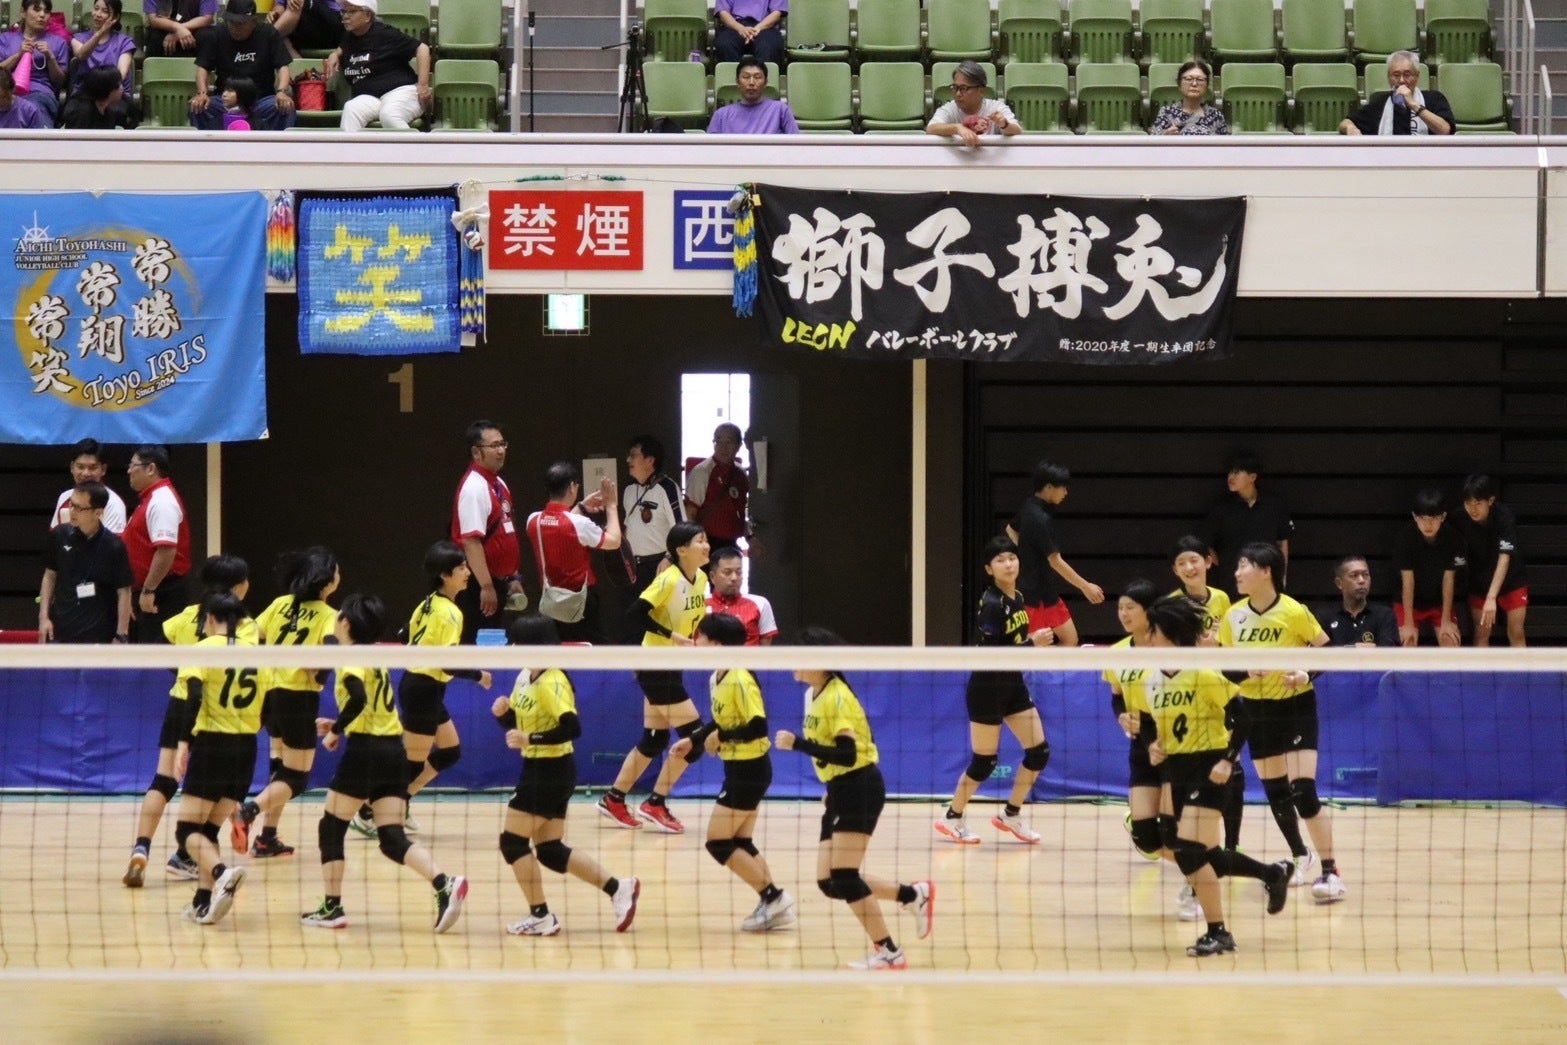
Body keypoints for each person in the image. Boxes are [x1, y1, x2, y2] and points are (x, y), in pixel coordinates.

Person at [301, 593, 468, 933]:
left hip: (365, 752)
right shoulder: (376, 658)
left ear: (346, 623)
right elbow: (369, 705)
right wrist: (338, 724)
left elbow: (358, 698)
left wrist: (336, 730)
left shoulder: (351, 657)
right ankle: (444, 883)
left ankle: (332, 907)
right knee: (391, 837)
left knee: (330, 826)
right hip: (394, 752)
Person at [1141, 594, 1294, 957]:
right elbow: (1156, 726)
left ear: (1170, 635)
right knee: (1204, 854)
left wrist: (1227, 760)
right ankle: (1272, 873)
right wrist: (1154, 746)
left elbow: (1244, 717)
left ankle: (1219, 932)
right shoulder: (1151, 679)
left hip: (1209, 767)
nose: (1147, 638)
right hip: (1176, 769)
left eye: (1152, 631)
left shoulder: (1204, 674)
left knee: (1188, 852)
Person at [775, 626, 934, 971]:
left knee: (845, 876)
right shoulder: (813, 694)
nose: (792, 662)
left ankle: (889, 952)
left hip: (859, 787)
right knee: (829, 882)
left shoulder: (838, 697)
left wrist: (797, 744)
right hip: (841, 790)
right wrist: (831, 787)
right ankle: (912, 894)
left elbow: (848, 755)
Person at [495, 615, 641, 936]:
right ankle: (619, 888)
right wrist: (505, 716)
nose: (512, 647)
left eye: (517, 641)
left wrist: (530, 738)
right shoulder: (525, 676)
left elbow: (572, 728)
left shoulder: (553, 680)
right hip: (539, 768)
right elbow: (520, 726)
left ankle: (541, 916)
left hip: (551, 771)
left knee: (512, 843)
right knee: (549, 850)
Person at [1219, 542, 1344, 903]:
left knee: (1302, 790)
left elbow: (1326, 651)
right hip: (1255, 712)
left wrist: (1305, 673)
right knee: (1276, 793)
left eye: (1244, 565)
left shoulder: (1293, 611)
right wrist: (1246, 672)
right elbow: (1223, 667)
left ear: (1266, 571)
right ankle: (1300, 855)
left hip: (1296, 706)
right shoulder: (1233, 616)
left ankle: (1331, 871)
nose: (1237, 573)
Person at [122, 554, 253, 887]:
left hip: (181, 703)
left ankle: (141, 848)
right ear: (239, 587)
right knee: (217, 788)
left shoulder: (187, 616)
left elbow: (160, 651)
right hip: (217, 715)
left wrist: (185, 673)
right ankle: (190, 854)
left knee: (164, 781)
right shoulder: (245, 626)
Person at [671, 613, 794, 932]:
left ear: (716, 644)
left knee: (718, 842)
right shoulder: (717, 676)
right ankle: (773, 903)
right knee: (741, 841)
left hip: (750, 770)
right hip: (738, 769)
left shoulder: (740, 676)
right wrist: (694, 739)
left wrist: (721, 738)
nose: (695, 642)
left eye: (700, 637)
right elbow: (720, 720)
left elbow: (758, 726)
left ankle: (774, 897)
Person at [934, 536, 1052, 846]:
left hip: (1013, 685)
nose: (1008, 564)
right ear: (989, 569)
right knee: (984, 762)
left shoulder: (1018, 597)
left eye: (1012, 558)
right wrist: (1032, 645)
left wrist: (1030, 646)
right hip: (987, 688)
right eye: (1000, 560)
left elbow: (1013, 647)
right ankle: (952, 817)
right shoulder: (991, 604)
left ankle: (1011, 814)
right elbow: (991, 654)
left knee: (1039, 752)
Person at [596, 521, 709, 832]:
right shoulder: (668, 580)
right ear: (681, 550)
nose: (706, 546)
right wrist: (671, 635)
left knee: (655, 739)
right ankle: (655, 803)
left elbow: (693, 618)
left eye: (706, 540)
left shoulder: (700, 579)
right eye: (700, 541)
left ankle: (613, 799)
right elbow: (635, 613)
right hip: (654, 666)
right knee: (695, 739)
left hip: (672, 665)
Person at [231, 547, 341, 859]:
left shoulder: (280, 604)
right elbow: (330, 652)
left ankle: (267, 838)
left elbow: (250, 632)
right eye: (336, 570)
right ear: (326, 581)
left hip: (269, 695)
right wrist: (315, 669)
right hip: (298, 697)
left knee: (280, 768)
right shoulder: (330, 616)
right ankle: (248, 811)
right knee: (297, 777)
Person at [386, 541, 494, 833]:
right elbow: (447, 664)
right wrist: (478, 675)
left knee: (449, 751)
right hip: (422, 689)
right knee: (412, 763)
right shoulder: (450, 613)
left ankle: (401, 802)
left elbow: (404, 635)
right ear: (445, 575)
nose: (467, 572)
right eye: (461, 568)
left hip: (423, 688)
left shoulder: (427, 603)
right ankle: (371, 813)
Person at [171, 591, 258, 925]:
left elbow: (193, 697)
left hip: (213, 745)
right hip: (246, 748)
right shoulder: (257, 653)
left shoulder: (202, 649)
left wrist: (183, 743)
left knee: (186, 832)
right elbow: (268, 704)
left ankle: (222, 874)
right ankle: (202, 902)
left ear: (209, 618)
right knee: (208, 831)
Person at [1168, 535, 1243, 851]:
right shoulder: (1171, 604)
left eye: (1194, 560)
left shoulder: (1223, 599)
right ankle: (1187, 839)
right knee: (1187, 770)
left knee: (1231, 767)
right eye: (1181, 563)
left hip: (1221, 690)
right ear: (1175, 570)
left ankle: (1232, 846)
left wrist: (1218, 646)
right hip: (1188, 693)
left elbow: (1230, 642)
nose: (1189, 567)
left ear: (1208, 562)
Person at [1004, 460, 1104, 647]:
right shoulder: (1040, 519)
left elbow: (1010, 528)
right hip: (1032, 595)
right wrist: (1085, 587)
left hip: (1047, 593)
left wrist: (1028, 551)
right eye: (1062, 487)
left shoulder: (1029, 506)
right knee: (1034, 647)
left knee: (1070, 640)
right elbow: (1055, 561)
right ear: (1049, 487)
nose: (1065, 492)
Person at [527, 462, 621, 644]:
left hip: (552, 601)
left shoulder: (533, 520)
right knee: (592, 650)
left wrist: (582, 507)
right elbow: (614, 541)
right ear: (571, 487)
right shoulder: (579, 524)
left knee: (560, 648)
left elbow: (561, 523)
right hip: (581, 602)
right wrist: (611, 506)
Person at [452, 420, 525, 643]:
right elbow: (471, 542)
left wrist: (513, 577)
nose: (501, 450)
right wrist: (486, 586)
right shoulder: (473, 487)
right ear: (476, 452)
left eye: (503, 444)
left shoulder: (498, 483)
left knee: (496, 644)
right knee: (478, 646)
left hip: (498, 583)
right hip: (477, 585)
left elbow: (506, 531)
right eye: (494, 446)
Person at [38, 481, 132, 644]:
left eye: (79, 508)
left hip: (98, 634)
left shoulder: (114, 546)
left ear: (98, 512)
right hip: (60, 630)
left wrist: (121, 634)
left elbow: (124, 591)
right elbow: (49, 575)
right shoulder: (59, 535)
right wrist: (43, 617)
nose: (72, 511)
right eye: (71, 505)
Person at [324, 0, 430, 132]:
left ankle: (414, 146)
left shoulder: (385, 33)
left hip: (401, 92)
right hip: (370, 97)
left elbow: (422, 48)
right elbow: (343, 47)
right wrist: (335, 54)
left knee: (389, 114)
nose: (345, 16)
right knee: (351, 108)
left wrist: (423, 85)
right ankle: (350, 146)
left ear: (368, 16)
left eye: (352, 11)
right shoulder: (349, 36)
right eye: (344, 11)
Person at [190, 0, 295, 131]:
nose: (235, 28)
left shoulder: (268, 33)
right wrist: (202, 93)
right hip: (225, 100)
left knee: (286, 107)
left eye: (240, 24)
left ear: (254, 22)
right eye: (231, 22)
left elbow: (283, 66)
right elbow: (202, 67)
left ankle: (274, 144)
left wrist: (281, 92)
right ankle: (207, 143)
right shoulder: (216, 34)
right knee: (198, 107)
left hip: (261, 100)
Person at [1200, 449, 1293, 592]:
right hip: (1231, 583)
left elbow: (1282, 542)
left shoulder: (1274, 505)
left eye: (1237, 472)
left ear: (1252, 477)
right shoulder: (1221, 508)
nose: (1231, 477)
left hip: (1266, 581)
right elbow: (1205, 542)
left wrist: (1282, 576)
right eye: (1230, 472)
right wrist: (1223, 563)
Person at [124, 445, 191, 644]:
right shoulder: (150, 499)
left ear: (151, 469)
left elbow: (166, 550)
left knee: (155, 653)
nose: (128, 470)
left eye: (133, 465)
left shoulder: (162, 502)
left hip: (162, 592)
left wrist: (148, 590)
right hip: (150, 590)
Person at [1458, 473, 1528, 647]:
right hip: (1479, 580)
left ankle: (1522, 666)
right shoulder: (1459, 518)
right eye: (1468, 503)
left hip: (1511, 579)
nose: (1473, 509)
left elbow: (1504, 558)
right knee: (1481, 632)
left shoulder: (1504, 517)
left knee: (1516, 631)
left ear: (1490, 500)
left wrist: (1491, 597)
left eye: (1478, 503)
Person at [1392, 488, 1465, 647]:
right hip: (1408, 603)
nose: (1428, 524)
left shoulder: (1453, 538)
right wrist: (1408, 624)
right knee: (1407, 644)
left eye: (1433, 518)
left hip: (1439, 603)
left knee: (1451, 644)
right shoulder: (1405, 538)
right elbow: (1408, 582)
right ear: (1414, 517)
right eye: (1423, 518)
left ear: (1443, 517)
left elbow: (1448, 579)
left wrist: (1446, 620)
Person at [621, 433, 684, 609]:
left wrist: (670, 558)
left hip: (659, 565)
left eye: (633, 455)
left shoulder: (667, 488)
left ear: (650, 460)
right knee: (633, 618)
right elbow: (628, 527)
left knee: (658, 619)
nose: (628, 460)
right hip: (632, 568)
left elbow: (681, 528)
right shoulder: (628, 489)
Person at [1339, 50, 1454, 136]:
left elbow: (1445, 130)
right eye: (1396, 75)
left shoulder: (1434, 98)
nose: (1401, 80)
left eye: (1407, 75)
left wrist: (1414, 105)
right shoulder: (1380, 102)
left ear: (1417, 76)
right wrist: (1350, 128)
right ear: (1389, 78)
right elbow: (1345, 122)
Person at [685, 422, 750, 556]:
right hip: (706, 544)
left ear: (739, 445)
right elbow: (690, 513)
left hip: (732, 543)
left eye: (729, 442)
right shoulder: (702, 471)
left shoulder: (741, 474)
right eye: (718, 441)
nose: (723, 447)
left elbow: (740, 512)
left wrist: (751, 538)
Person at [0, 0, 70, 121]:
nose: (42, 15)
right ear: (23, 12)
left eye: (46, 11)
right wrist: (18, 55)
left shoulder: (58, 42)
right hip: (6, 93)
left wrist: (50, 57)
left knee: (32, 107)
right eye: (37, 10)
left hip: (40, 93)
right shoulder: (5, 39)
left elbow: (60, 83)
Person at [926, 60, 1022, 146]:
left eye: (964, 88)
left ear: (981, 91)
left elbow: (1017, 131)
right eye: (955, 88)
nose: (958, 94)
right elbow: (931, 129)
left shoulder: (996, 107)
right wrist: (957, 128)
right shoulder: (950, 108)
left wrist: (1003, 124)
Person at [1316, 555, 1400, 648]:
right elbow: (1318, 652)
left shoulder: (1384, 615)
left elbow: (1389, 651)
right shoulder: (1325, 616)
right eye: (1354, 575)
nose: (1361, 580)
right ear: (1339, 583)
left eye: (1365, 575)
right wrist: (1355, 648)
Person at [49, 439, 128, 533]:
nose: (86, 473)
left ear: (103, 469)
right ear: (72, 467)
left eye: (92, 468)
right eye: (80, 467)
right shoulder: (64, 497)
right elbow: (55, 537)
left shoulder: (113, 503)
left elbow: (112, 542)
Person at [705, 545, 777, 645]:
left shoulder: (761, 604)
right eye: (727, 573)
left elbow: (765, 649)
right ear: (712, 577)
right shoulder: (700, 604)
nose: (734, 578)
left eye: (739, 572)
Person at [707, 57, 798, 135]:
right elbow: (710, 147)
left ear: (766, 82)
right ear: (737, 82)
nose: (751, 82)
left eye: (757, 77)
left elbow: (796, 143)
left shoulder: (781, 110)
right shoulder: (721, 115)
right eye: (746, 77)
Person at [70, 0, 136, 97]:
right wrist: (100, 33)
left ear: (115, 17)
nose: (98, 14)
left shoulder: (125, 42)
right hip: (85, 94)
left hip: (114, 93)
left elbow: (120, 75)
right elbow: (81, 55)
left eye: (105, 11)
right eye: (96, 9)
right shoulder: (78, 38)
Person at [1150, 60, 1227, 136]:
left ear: (1207, 85)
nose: (1194, 84)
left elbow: (1225, 143)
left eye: (1200, 80)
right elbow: (1153, 141)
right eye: (1189, 79)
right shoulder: (1167, 112)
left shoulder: (1216, 115)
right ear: (1179, 84)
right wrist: (1166, 136)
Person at [59, 63, 140, 127]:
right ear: (108, 89)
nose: (122, 88)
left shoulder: (112, 108)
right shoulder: (80, 113)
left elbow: (133, 119)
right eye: (119, 85)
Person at [713, 0, 786, 65]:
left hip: (765, 26)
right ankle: (732, 76)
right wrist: (740, 28)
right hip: (734, 26)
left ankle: (761, 76)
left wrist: (758, 28)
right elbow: (723, 12)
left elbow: (777, 13)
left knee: (769, 46)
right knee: (725, 44)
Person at [144, 0, 218, 59]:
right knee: (155, 36)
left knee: (207, 36)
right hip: (164, 31)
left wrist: (180, 30)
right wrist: (177, 28)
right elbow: (153, 20)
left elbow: (207, 18)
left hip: (195, 30)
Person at [268, 0, 342, 56]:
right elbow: (280, 6)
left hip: (332, 25)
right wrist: (275, 13)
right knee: (276, 23)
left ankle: (264, 40)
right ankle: (298, 64)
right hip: (304, 29)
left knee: (298, 2)